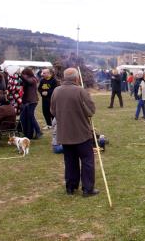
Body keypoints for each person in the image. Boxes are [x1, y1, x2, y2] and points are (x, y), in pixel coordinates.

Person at [51, 68, 98, 196]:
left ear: (65, 78)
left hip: (65, 133)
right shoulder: (80, 91)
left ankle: (70, 187)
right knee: (87, 160)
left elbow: (52, 111)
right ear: (76, 79)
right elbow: (91, 111)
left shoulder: (56, 91)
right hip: (81, 133)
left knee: (70, 161)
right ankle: (88, 189)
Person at [19, 68, 42, 139]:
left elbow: (28, 81)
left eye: (24, 74)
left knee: (31, 116)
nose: (24, 76)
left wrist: (20, 75)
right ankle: (30, 132)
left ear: (27, 74)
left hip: (32, 101)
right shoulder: (28, 79)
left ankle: (38, 131)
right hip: (28, 101)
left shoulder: (33, 79)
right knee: (27, 117)